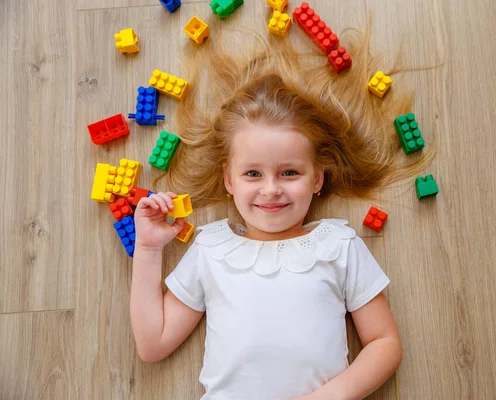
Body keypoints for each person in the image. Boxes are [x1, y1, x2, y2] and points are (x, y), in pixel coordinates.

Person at [130, 23, 434, 400]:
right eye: (252, 173)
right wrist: (147, 250)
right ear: (229, 181)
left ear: (317, 180)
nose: (271, 189)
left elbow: (384, 343)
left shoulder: (339, 245)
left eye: (289, 172)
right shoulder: (211, 248)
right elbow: (152, 345)